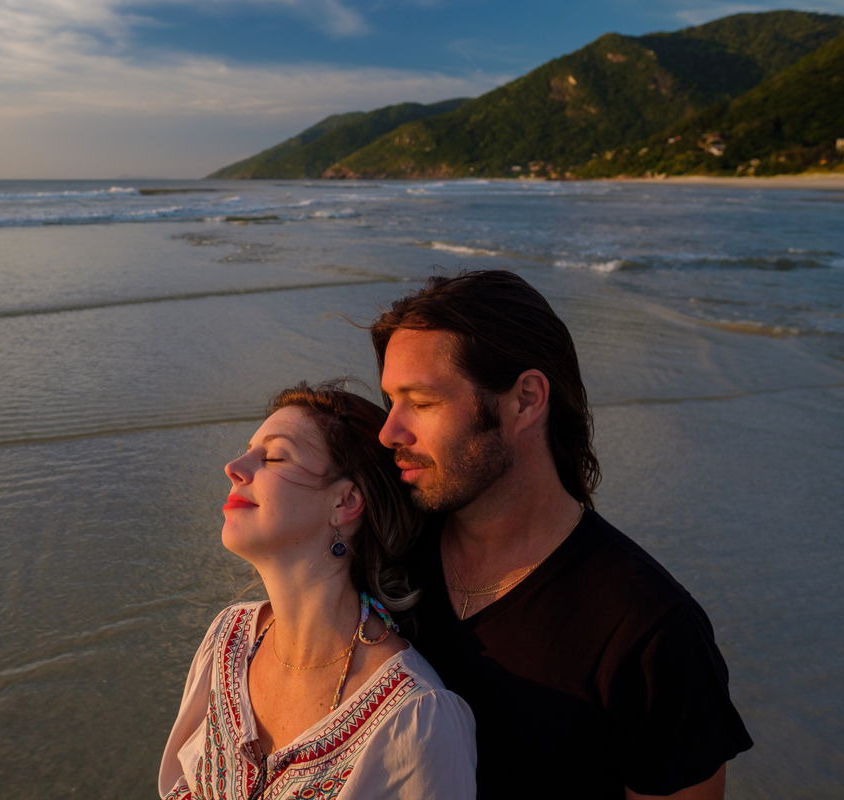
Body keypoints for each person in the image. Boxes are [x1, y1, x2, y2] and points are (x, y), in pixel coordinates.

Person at [370, 270, 753, 799]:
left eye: (422, 402)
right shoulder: (385, 557)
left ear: (525, 399)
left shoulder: (647, 629)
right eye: (391, 400)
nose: (390, 431)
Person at [159, 382, 477, 800]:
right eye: (248, 450)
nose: (234, 467)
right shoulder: (227, 641)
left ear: (345, 503)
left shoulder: (414, 720)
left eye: (273, 456)